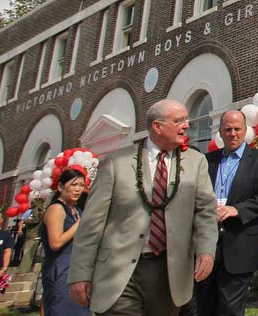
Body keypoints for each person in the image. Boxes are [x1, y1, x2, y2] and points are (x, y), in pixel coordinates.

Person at [67, 100, 218, 315]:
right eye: (179, 121)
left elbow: (205, 212)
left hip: (169, 273)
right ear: (157, 126)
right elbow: (92, 222)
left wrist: (206, 250)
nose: (187, 125)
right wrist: (80, 274)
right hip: (119, 273)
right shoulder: (116, 163)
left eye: (186, 119)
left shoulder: (196, 162)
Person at [194, 109, 258, 316]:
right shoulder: (206, 161)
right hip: (206, 246)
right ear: (220, 133)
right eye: (228, 129)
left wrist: (236, 210)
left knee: (230, 309)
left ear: (245, 130)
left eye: (237, 129)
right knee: (203, 307)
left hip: (240, 244)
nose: (232, 133)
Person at [40, 168, 90, 316]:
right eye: (74, 185)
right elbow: (56, 242)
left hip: (78, 271)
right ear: (61, 186)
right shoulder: (56, 209)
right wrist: (79, 224)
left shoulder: (77, 210)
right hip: (60, 272)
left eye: (81, 185)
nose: (78, 189)